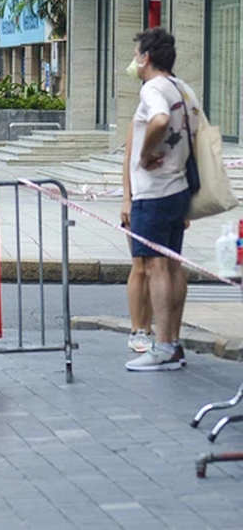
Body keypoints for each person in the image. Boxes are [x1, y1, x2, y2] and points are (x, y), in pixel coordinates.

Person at [123, 28, 197, 372]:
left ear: (146, 57)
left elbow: (160, 119)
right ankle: (173, 342)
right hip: (178, 189)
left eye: (137, 53)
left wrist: (146, 152)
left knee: (154, 266)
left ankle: (163, 345)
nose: (134, 60)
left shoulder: (152, 88)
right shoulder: (183, 88)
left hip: (154, 192)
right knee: (171, 264)